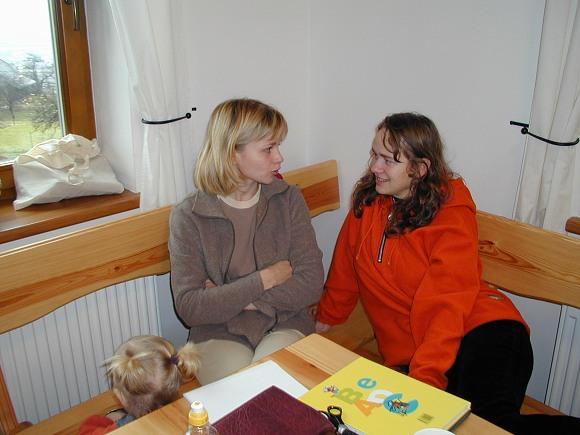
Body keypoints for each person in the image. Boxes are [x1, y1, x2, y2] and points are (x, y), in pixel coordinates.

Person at [315, 112, 580, 434]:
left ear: (420, 169)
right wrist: (325, 318)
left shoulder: (450, 217)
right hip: (421, 352)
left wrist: (424, 382)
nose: (374, 167)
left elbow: (445, 304)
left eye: (388, 160)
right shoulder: (369, 202)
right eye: (374, 154)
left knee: (487, 426)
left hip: (483, 331)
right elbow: (345, 268)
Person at [169, 98, 324, 385]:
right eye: (268, 148)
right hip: (217, 332)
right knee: (242, 391)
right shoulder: (189, 215)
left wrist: (229, 296)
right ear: (232, 153)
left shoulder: (288, 199)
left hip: (285, 322)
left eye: (277, 146)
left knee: (273, 384)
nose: (279, 158)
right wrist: (266, 278)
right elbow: (190, 307)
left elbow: (311, 283)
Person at [79, 335, 201, 435]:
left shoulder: (119, 431)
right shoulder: (193, 417)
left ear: (121, 398)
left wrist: (102, 420)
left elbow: (86, 429)